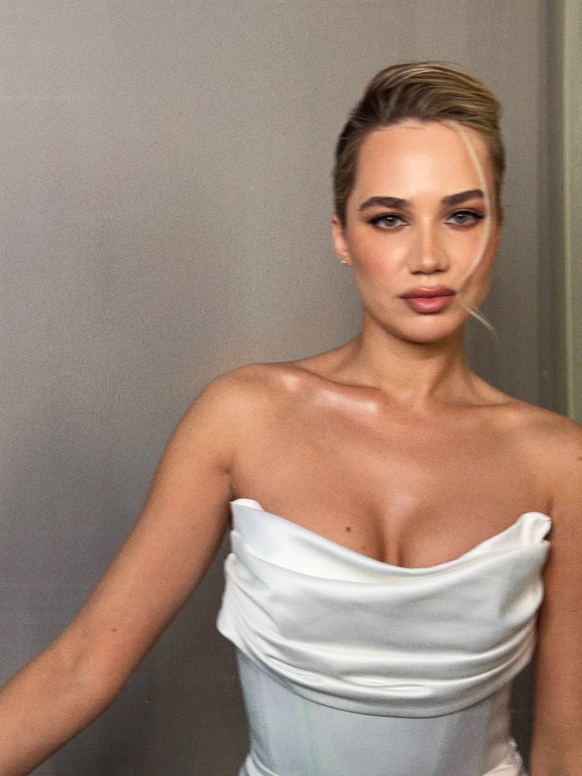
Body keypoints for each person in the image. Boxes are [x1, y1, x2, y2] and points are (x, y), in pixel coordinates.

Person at [0, 62, 580, 776]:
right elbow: (79, 671)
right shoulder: (243, 418)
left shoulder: (561, 463)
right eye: (389, 218)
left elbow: (568, 752)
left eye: (462, 216)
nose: (429, 257)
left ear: (498, 230)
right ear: (342, 236)